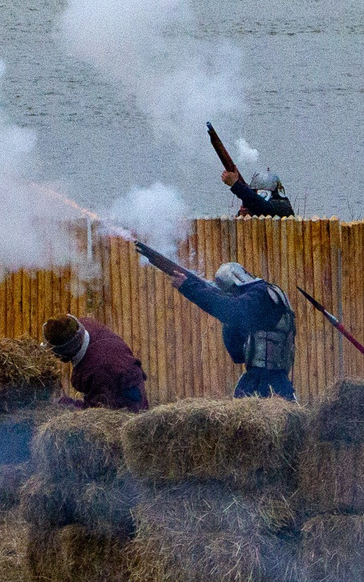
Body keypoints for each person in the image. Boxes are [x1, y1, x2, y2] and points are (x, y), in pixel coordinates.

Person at [135, 242, 297, 399]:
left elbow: (232, 310)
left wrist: (188, 287)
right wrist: (229, 324)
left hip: (266, 381)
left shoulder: (260, 293)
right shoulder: (262, 295)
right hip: (266, 378)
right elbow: (237, 354)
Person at [42, 314, 150, 413]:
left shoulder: (99, 371)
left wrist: (65, 403)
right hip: (117, 371)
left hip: (127, 395)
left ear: (65, 352)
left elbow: (94, 413)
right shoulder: (85, 324)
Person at [225, 166, 296, 219]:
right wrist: (243, 214)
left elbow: (262, 206)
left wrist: (236, 185)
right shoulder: (259, 207)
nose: (254, 194)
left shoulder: (282, 206)